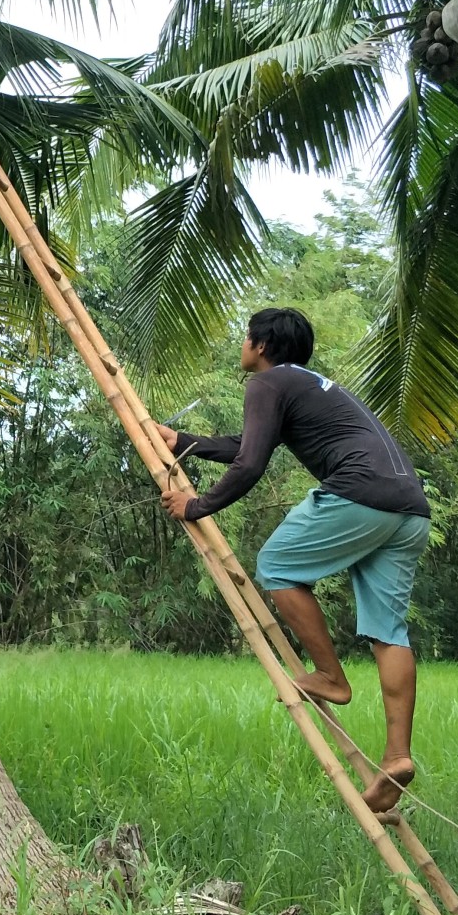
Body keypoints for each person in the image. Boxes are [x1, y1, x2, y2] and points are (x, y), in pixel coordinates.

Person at [158, 307, 430, 813]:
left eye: (245, 337)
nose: (242, 345)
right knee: (388, 631)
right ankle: (396, 757)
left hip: (360, 494)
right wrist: (184, 443)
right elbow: (247, 445)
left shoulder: (267, 384)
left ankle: (330, 676)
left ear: (260, 345)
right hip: (409, 509)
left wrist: (197, 506)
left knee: (278, 565)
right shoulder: (306, 385)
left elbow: (250, 464)